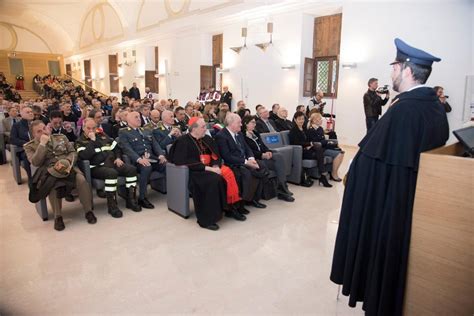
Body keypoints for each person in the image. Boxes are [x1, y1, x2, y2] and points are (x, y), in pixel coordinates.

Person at [330, 38, 449, 316]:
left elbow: (376, 161)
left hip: (388, 206)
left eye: (394, 66)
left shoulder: (405, 109)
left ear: (407, 70)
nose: (391, 72)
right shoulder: (432, 106)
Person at [168, 117, 242, 230]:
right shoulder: (183, 141)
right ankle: (206, 220)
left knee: (228, 175)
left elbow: (216, 154)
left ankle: (229, 209)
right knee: (213, 180)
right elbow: (181, 161)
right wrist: (209, 169)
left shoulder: (207, 138)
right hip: (195, 173)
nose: (205, 129)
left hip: (211, 168)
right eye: (203, 127)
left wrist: (216, 165)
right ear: (194, 129)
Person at [24, 120, 96, 231]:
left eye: (44, 128)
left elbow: (73, 152)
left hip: (68, 167)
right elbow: (35, 162)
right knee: (53, 186)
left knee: (81, 180)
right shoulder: (30, 146)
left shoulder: (61, 137)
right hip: (50, 172)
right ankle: (58, 217)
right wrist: (42, 144)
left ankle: (88, 211)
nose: (44, 132)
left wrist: (67, 161)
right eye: (39, 131)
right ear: (33, 134)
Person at [76, 118, 141, 216]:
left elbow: (116, 147)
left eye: (94, 128)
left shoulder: (103, 135)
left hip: (112, 163)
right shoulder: (80, 141)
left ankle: (131, 200)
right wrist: (92, 141)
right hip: (96, 167)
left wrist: (118, 157)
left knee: (131, 170)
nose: (91, 131)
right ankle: (112, 206)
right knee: (111, 173)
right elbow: (84, 156)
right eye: (88, 128)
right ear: (83, 128)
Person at [215, 113, 267, 210]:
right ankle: (242, 202)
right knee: (246, 173)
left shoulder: (239, 133)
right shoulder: (221, 136)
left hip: (244, 160)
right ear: (231, 123)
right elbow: (227, 157)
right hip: (233, 164)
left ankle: (253, 198)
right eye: (239, 122)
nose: (241, 125)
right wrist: (246, 162)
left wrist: (251, 158)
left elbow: (247, 148)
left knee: (261, 166)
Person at [118, 111, 167, 209]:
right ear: (129, 120)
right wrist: (139, 159)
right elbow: (127, 149)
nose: (139, 119)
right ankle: (142, 198)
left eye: (139, 117)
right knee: (146, 167)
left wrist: (161, 155)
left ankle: (173, 191)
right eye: (136, 117)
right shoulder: (124, 132)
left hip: (152, 158)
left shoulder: (146, 130)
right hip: (137, 162)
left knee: (167, 165)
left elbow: (155, 144)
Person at [242, 115, 294, 202]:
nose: (255, 124)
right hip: (256, 159)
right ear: (246, 124)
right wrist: (262, 155)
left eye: (255, 122)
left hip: (263, 157)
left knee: (278, 156)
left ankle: (282, 188)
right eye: (252, 123)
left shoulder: (255, 133)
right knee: (278, 158)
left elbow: (263, 146)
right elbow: (249, 152)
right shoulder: (243, 136)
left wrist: (268, 151)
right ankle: (283, 188)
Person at [289, 111, 331, 187]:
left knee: (319, 149)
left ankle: (322, 176)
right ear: (295, 120)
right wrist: (309, 144)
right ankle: (323, 176)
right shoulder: (293, 131)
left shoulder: (304, 129)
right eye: (299, 119)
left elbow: (308, 140)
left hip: (308, 149)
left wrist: (310, 145)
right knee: (319, 149)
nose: (301, 121)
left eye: (302, 119)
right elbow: (296, 143)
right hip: (301, 151)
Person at [306, 113, 344, 182]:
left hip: (324, 147)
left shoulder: (320, 128)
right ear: (314, 120)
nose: (321, 120)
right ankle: (334, 174)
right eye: (320, 119)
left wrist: (326, 142)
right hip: (318, 150)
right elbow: (317, 142)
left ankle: (333, 172)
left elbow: (322, 140)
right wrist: (325, 142)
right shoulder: (310, 130)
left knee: (341, 152)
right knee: (339, 154)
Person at [10, 106, 34, 181]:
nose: (30, 113)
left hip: (38, 148)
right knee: (28, 159)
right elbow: (13, 139)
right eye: (28, 112)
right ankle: (32, 179)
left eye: (31, 112)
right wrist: (27, 143)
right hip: (24, 149)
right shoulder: (17, 125)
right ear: (22, 114)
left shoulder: (37, 123)